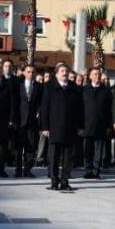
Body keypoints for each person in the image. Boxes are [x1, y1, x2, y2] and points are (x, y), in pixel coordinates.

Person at [39, 63, 84, 192]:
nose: (65, 73)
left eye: (66, 71)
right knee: (53, 156)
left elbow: (80, 109)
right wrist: (45, 127)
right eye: (62, 71)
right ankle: (54, 181)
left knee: (68, 157)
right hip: (54, 127)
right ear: (57, 73)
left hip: (70, 127)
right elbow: (44, 108)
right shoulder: (49, 87)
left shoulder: (74, 87)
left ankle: (65, 181)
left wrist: (81, 126)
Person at [82, 68, 112, 179]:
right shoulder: (85, 89)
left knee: (99, 150)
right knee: (88, 149)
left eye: (99, 74)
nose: (97, 76)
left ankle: (96, 170)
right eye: (95, 74)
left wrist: (109, 125)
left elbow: (110, 109)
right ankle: (88, 169)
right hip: (87, 124)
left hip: (101, 125)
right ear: (90, 76)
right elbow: (81, 108)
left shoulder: (106, 90)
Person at [14, 64, 42, 178]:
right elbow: (15, 103)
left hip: (33, 122)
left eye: (33, 72)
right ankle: (18, 169)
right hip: (20, 121)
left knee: (31, 147)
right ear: (24, 73)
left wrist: (39, 112)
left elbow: (41, 102)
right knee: (19, 148)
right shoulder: (18, 85)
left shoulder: (39, 86)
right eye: (28, 72)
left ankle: (28, 169)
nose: (31, 74)